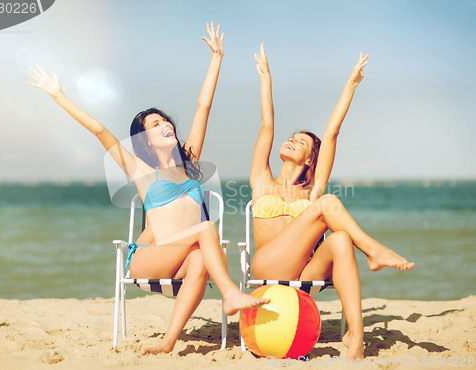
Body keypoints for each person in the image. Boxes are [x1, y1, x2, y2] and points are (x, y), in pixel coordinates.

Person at [27, 23, 269, 356]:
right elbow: (100, 131)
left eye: (164, 120)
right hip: (148, 259)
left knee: (201, 259)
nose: (165, 124)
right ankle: (230, 293)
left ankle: (168, 341)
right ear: (145, 139)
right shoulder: (141, 170)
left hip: (182, 257)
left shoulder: (188, 161)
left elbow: (204, 107)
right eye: (155, 125)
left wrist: (217, 58)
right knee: (204, 227)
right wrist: (58, 94)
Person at [249, 44, 414, 360]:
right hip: (268, 266)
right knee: (327, 203)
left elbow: (332, 131)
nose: (291, 140)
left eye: (300, 142)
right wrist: (265, 77)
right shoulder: (262, 181)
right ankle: (374, 250)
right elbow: (267, 124)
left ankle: (356, 337)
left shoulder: (312, 191)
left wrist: (352, 83)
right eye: (292, 137)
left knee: (339, 239)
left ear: (311, 158)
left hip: (305, 272)